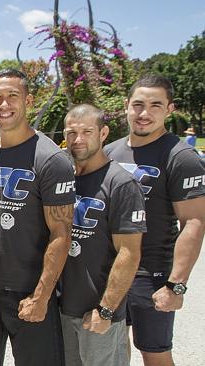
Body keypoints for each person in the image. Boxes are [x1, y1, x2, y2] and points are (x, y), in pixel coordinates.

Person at [0, 68, 75, 366]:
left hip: (29, 290)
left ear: (28, 101)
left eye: (12, 97)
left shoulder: (51, 159)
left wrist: (42, 296)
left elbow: (61, 233)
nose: (4, 104)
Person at [104, 74, 205, 366]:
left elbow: (194, 222)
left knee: (155, 354)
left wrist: (176, 285)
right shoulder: (109, 152)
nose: (144, 113)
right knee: (110, 349)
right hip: (109, 271)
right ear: (126, 106)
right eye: (138, 104)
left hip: (152, 275)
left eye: (155, 105)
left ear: (169, 109)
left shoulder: (181, 156)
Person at [60, 104, 146, 365]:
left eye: (87, 131)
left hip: (97, 313)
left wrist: (106, 309)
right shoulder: (64, 177)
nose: (78, 139)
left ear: (103, 133)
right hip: (63, 310)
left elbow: (129, 253)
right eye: (71, 132)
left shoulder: (120, 184)